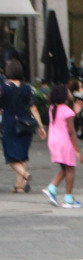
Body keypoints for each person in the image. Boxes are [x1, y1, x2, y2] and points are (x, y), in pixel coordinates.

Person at [1, 59, 46, 193]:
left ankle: (25, 175)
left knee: (10, 157)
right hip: (25, 123)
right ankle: (19, 186)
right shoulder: (26, 88)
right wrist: (41, 126)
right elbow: (34, 109)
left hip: (9, 123)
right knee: (21, 155)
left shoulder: (3, 87)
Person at [42, 83, 83, 207]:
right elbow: (71, 131)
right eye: (68, 92)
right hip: (65, 142)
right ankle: (68, 198)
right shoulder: (67, 111)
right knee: (70, 169)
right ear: (65, 96)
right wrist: (77, 150)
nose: (70, 93)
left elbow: (62, 121)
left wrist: (74, 112)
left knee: (65, 168)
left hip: (53, 141)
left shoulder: (52, 108)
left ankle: (52, 189)